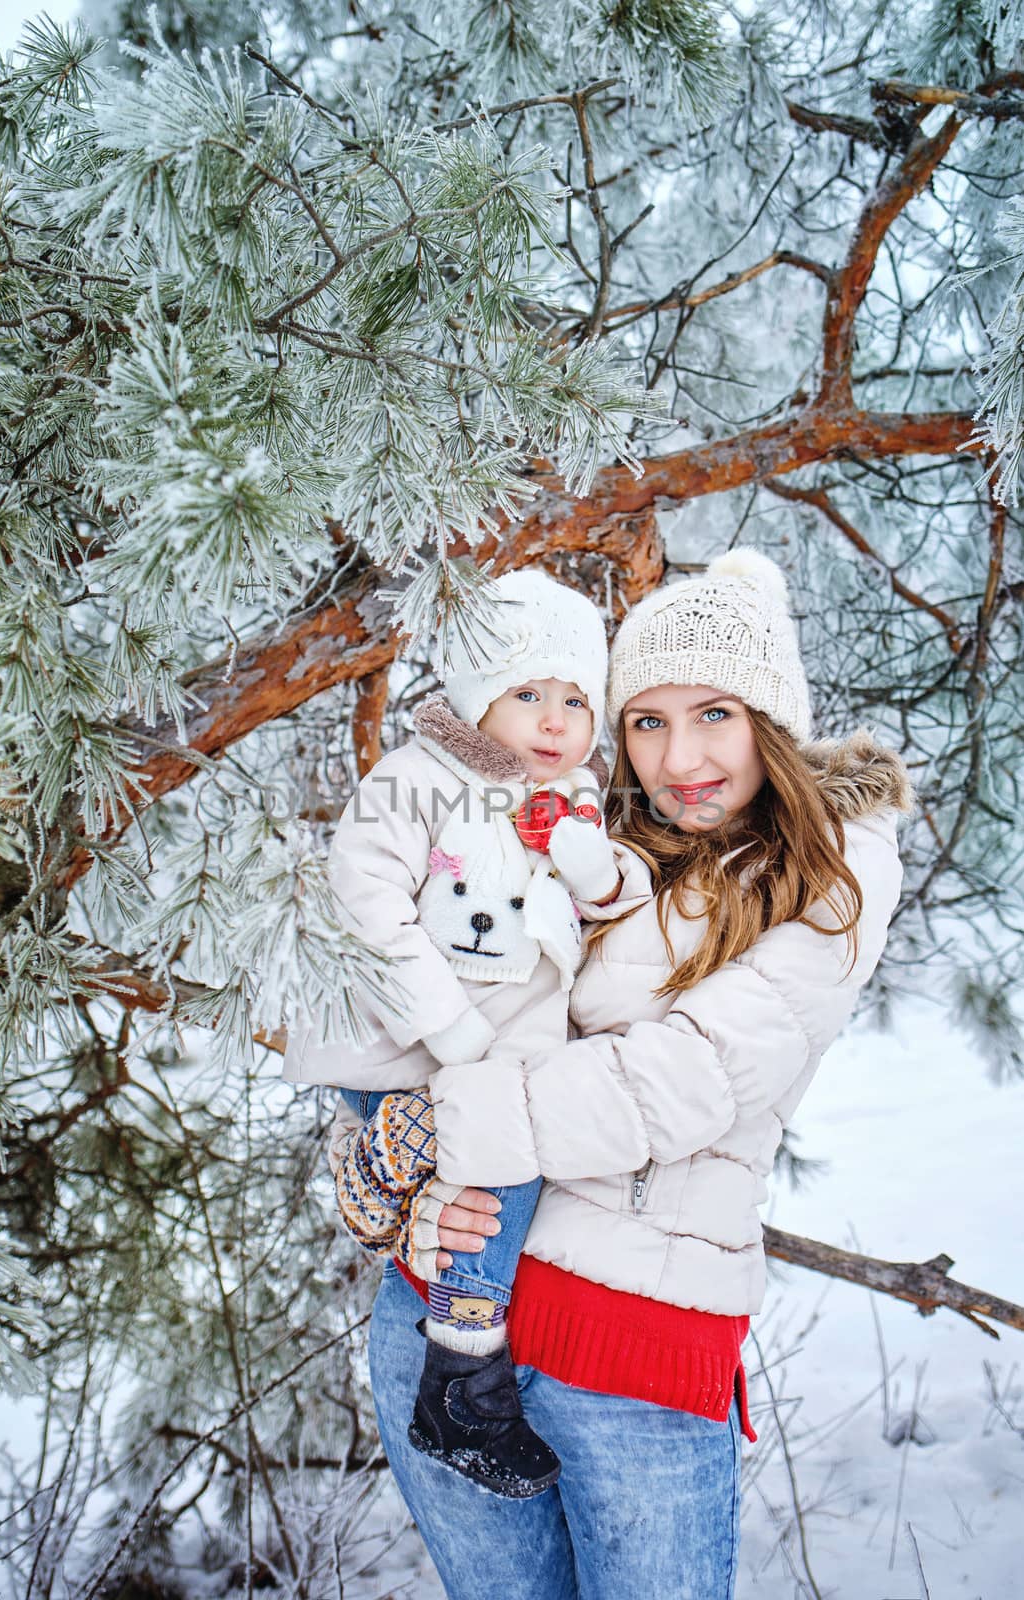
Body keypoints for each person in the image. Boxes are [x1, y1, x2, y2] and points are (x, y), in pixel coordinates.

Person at [332, 547, 913, 1599]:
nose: (677, 755)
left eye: (712, 715)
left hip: (631, 1361)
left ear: (769, 718)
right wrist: (372, 1167)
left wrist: (439, 1123)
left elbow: (680, 1082)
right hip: (447, 1311)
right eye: (644, 720)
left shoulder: (831, 870)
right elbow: (425, 995)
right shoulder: (573, 840)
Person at [283, 568, 622, 1499]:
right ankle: (463, 1381)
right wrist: (457, 1036)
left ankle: (456, 1378)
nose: (555, 721)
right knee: (492, 1179)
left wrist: (590, 866)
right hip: (405, 1048)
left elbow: (596, 911)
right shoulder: (420, 777)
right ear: (478, 698)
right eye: (527, 695)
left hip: (492, 1063)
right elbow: (364, 904)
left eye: (574, 700)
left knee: (495, 1185)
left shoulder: (573, 801)